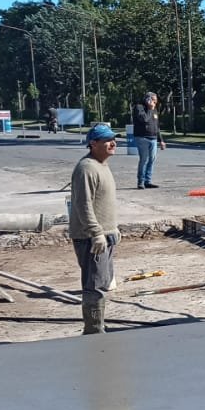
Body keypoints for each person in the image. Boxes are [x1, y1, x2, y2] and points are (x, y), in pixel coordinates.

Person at [70, 124, 121, 335]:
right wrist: (96, 232)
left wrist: (112, 228)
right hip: (91, 239)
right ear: (93, 143)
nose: (113, 143)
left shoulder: (102, 165)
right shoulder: (87, 168)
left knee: (104, 282)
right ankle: (93, 330)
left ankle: (98, 326)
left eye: (113, 139)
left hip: (105, 236)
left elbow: (103, 202)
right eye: (107, 140)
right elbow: (83, 204)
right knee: (95, 286)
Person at [130, 92, 165, 189]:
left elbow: (156, 126)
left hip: (153, 138)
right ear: (147, 99)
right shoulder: (139, 107)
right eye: (154, 100)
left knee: (152, 159)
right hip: (142, 137)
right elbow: (144, 119)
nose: (155, 102)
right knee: (144, 160)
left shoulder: (154, 109)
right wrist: (149, 108)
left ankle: (147, 181)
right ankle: (141, 182)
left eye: (155, 100)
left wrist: (161, 140)